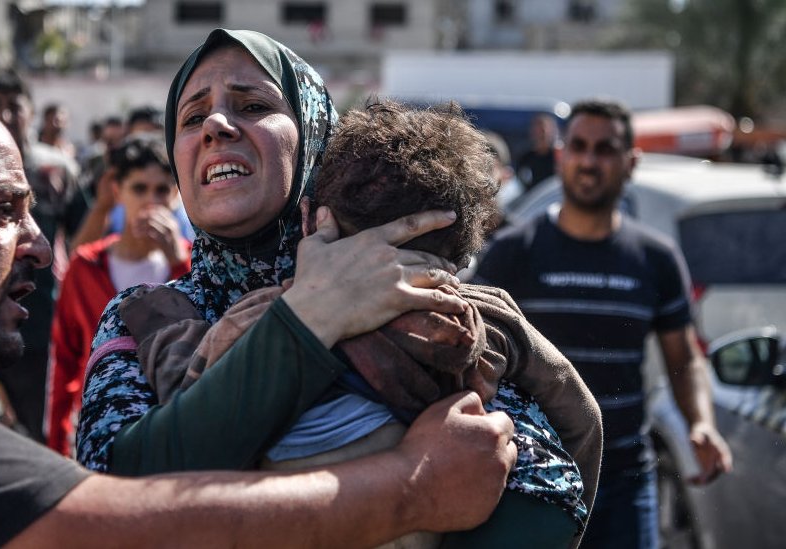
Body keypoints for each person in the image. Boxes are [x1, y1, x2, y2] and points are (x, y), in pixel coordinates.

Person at [0, 87, 517, 548]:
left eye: (253, 102)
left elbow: (543, 468)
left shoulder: (450, 307)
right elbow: (109, 520)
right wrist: (412, 485)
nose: (40, 244)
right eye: (1, 211)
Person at [124, 99, 603, 548]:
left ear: (310, 221)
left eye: (253, 104)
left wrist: (158, 319)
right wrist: (568, 504)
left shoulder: (269, 314)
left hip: (294, 511)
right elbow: (581, 412)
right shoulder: (486, 315)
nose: (218, 125)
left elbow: (186, 397)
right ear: (461, 255)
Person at [473, 98, 734, 549]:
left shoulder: (656, 258)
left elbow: (684, 356)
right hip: (532, 482)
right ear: (560, 156)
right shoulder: (514, 252)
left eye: (605, 149)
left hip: (625, 482)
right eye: (579, 146)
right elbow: (474, 350)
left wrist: (701, 423)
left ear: (630, 162)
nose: (590, 161)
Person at [45, 134, 192, 456]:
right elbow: (64, 360)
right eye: (139, 189)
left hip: (177, 429)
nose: (151, 201)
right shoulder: (84, 266)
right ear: (117, 192)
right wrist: (57, 443)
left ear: (177, 196)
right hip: (103, 430)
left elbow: (207, 335)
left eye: (162, 190)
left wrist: (179, 262)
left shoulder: (196, 264)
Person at [0, 68, 86, 442]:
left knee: (37, 430)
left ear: (30, 111)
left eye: (14, 106)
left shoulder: (55, 169)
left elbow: (84, 235)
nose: (5, 115)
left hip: (37, 321)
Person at [515, 113, 559, 191]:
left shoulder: (558, 157)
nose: (541, 134)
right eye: (538, 130)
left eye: (544, 131)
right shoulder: (526, 158)